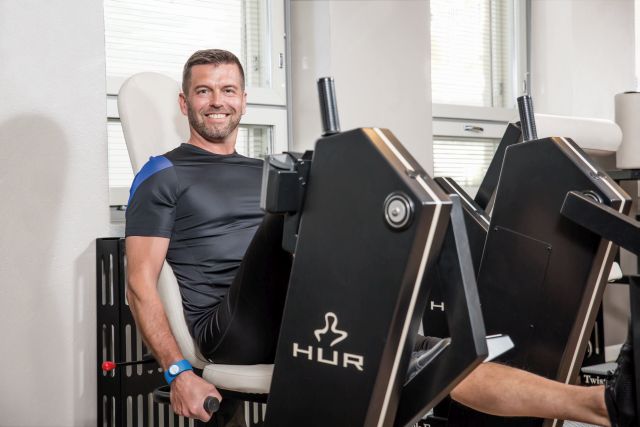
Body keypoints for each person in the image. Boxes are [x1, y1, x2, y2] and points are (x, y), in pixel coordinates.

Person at [125, 49, 636, 426]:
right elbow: (140, 284)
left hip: (303, 311)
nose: (217, 101)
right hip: (229, 329)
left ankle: (604, 405)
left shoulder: (263, 170)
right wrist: (178, 372)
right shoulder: (163, 172)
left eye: (227, 90)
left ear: (242, 100)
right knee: (311, 189)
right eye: (204, 91)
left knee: (441, 355)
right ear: (185, 102)